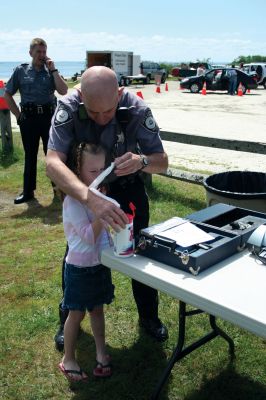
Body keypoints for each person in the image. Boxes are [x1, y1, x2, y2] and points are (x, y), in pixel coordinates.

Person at [46, 66, 169, 351]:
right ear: (81, 96)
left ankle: (149, 317)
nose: (101, 120)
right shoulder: (67, 106)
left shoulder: (137, 108)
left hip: (128, 190)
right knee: (77, 256)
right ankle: (67, 317)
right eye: (93, 112)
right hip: (84, 192)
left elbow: (162, 160)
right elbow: (52, 162)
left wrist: (142, 161)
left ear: (120, 93)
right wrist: (90, 199)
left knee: (140, 252)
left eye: (109, 112)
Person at [58, 142, 114, 381]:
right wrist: (103, 211)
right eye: (93, 171)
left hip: (99, 264)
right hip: (80, 269)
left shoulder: (99, 195)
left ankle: (101, 353)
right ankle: (68, 359)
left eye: (102, 169)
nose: (98, 175)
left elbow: (105, 234)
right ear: (78, 170)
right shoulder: (72, 202)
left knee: (98, 310)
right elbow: (89, 236)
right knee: (76, 314)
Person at [4, 37, 68, 204]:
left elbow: (63, 91)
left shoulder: (51, 71)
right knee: (30, 155)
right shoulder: (21, 71)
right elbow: (7, 94)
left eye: (44, 52)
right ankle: (28, 192)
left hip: (49, 118)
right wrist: (18, 116)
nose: (42, 55)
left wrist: (53, 70)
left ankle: (58, 189)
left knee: (53, 155)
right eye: (38, 51)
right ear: (30, 52)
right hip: (29, 118)